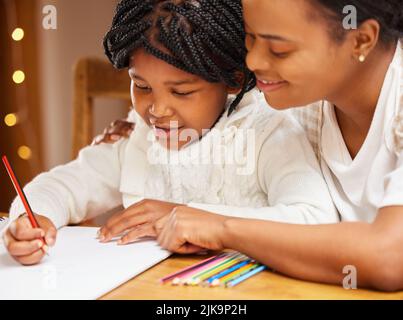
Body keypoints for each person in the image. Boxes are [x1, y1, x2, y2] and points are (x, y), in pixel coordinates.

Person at [2, 0, 337, 267]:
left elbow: (313, 220)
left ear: (232, 80)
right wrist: (32, 220)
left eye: (181, 92)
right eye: (141, 86)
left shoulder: (268, 133)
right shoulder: (138, 138)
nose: (157, 110)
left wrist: (191, 217)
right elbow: (62, 186)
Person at [148, 0, 403, 291]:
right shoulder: (301, 105)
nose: (253, 60)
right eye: (250, 37)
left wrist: (223, 227)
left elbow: (388, 258)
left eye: (278, 49)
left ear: (360, 40)